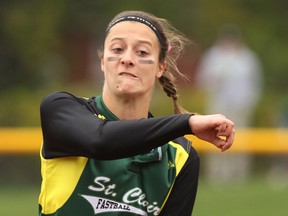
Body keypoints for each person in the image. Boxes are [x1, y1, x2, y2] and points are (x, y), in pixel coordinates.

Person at [38, 11, 235, 216]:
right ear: (103, 61)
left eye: (142, 52)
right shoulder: (59, 108)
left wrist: (184, 125)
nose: (127, 59)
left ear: (161, 67)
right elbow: (100, 141)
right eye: (117, 49)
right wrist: (188, 123)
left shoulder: (180, 157)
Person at [196, 25, 262, 183]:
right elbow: (203, 80)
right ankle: (217, 175)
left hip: (241, 106)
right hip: (219, 106)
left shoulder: (248, 58)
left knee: (241, 139)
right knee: (216, 137)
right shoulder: (213, 56)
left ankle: (239, 174)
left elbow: (255, 83)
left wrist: (249, 102)